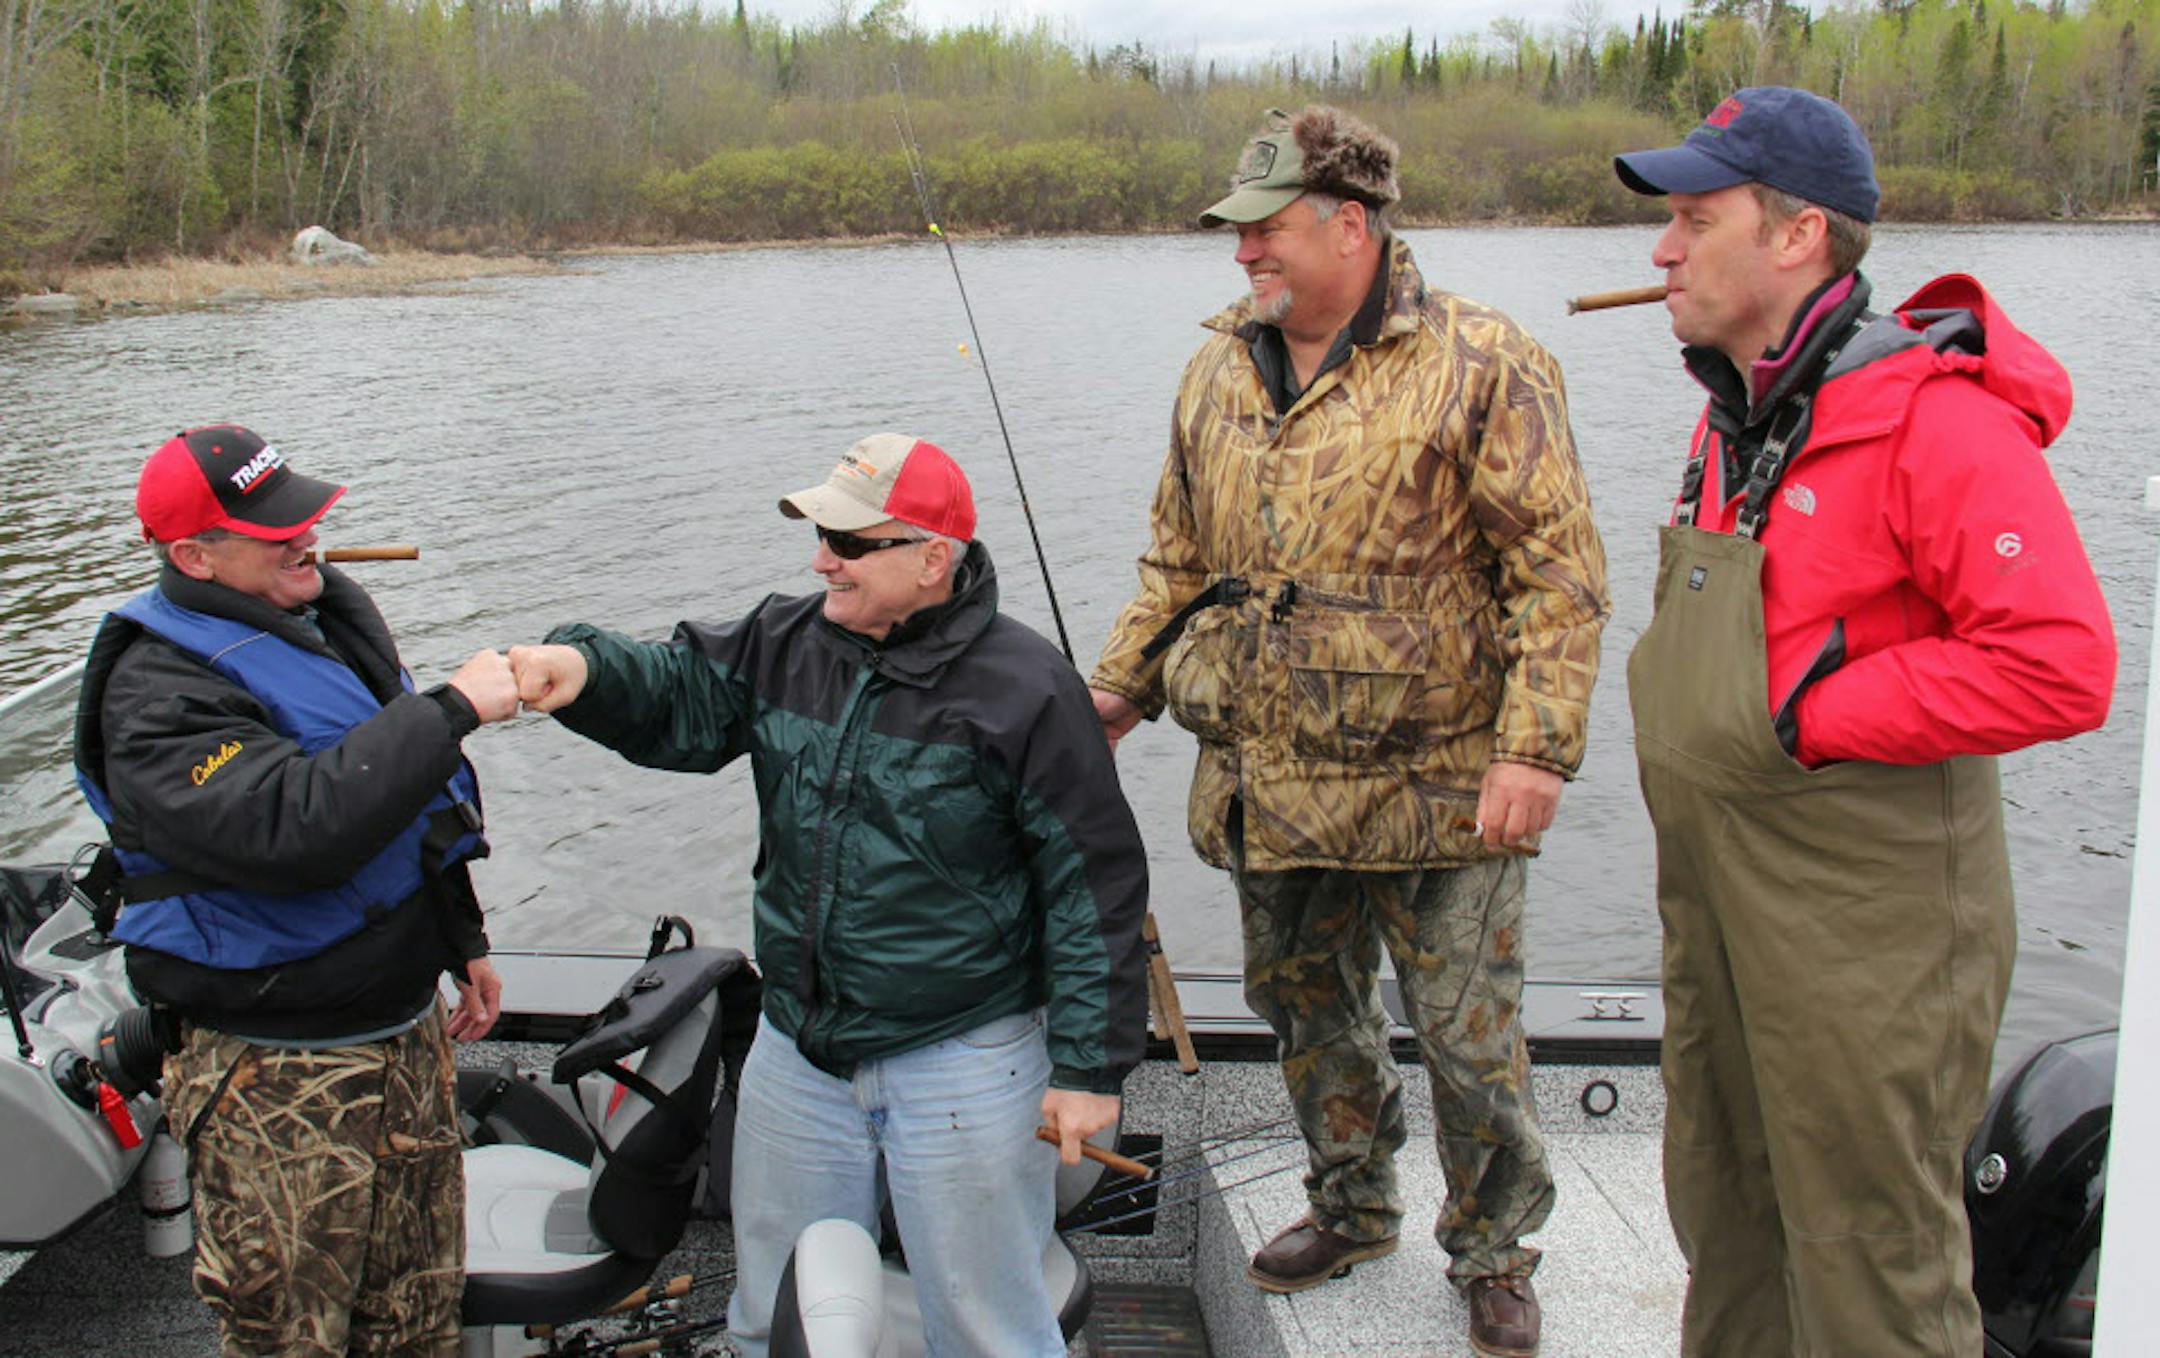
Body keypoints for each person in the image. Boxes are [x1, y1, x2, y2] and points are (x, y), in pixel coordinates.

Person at [1089, 107, 1609, 1358]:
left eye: (1264, 231)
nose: (1242, 256)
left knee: (1468, 1038)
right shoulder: (1215, 367)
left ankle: (1492, 1249)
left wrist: (1535, 749)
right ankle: (1352, 1204)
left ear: (1351, 224)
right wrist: (1114, 691)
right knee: (1305, 1007)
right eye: (1239, 234)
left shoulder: (1485, 358)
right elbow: (1177, 561)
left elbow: (1560, 577)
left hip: (1443, 786)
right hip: (1273, 777)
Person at [1612, 87, 2117, 1356]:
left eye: (1692, 218)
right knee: (1724, 1201)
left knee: (1870, 1254)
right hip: (1723, 897)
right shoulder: (1737, 409)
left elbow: (2062, 664)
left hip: (1868, 925)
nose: (1662, 249)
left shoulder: (1938, 421)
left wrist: (1811, 713)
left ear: (1797, 237)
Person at [505, 433, 1148, 1358]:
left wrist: (1088, 1070)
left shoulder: (1027, 687)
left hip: (965, 1059)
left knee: (987, 1324)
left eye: (848, 543)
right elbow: (681, 696)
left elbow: (1095, 887)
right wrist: (588, 672)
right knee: (777, 1309)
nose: (821, 561)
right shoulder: (785, 638)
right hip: (797, 1051)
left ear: (933, 557)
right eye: (820, 537)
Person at [72, 424, 518, 1356]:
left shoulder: (319, 621)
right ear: (193, 554)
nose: (308, 537)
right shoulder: (156, 691)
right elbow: (291, 830)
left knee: (417, 1313)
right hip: (279, 1074)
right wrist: (453, 708)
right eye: (277, 532)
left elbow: (410, 812)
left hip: (402, 1038)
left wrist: (461, 939)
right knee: (290, 1335)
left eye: (306, 516)